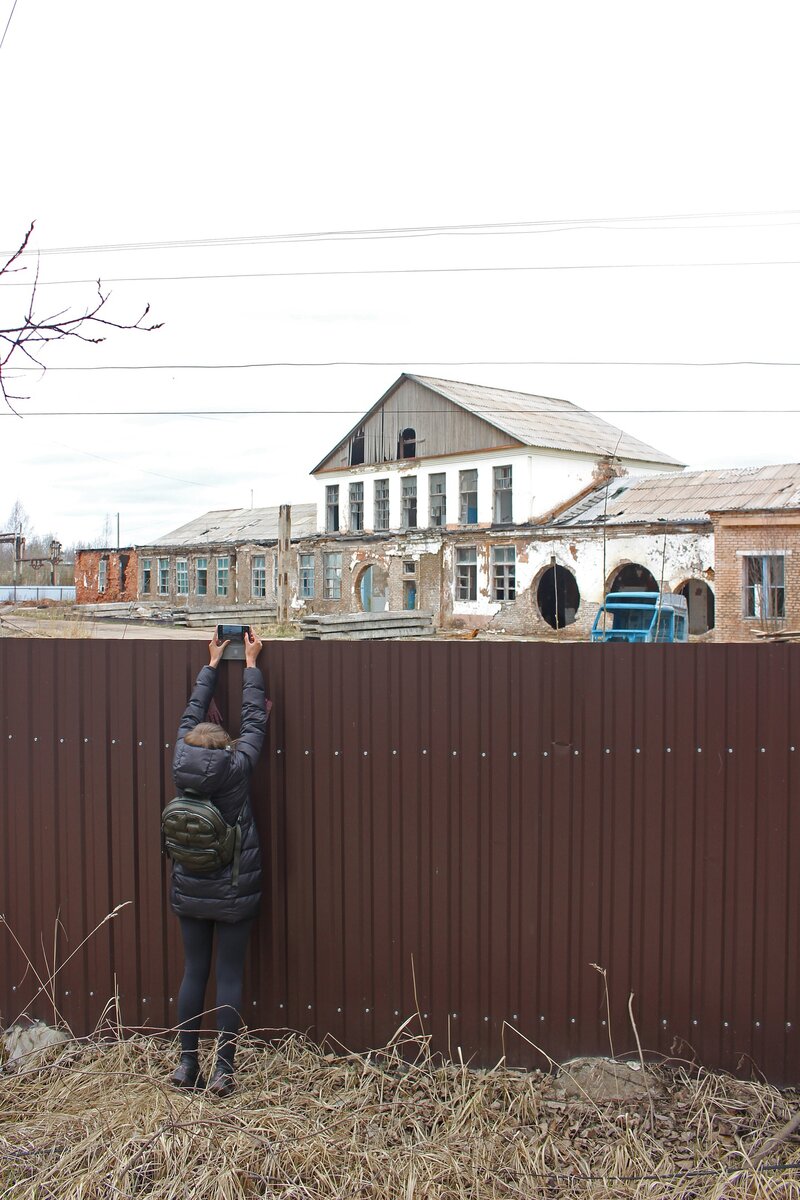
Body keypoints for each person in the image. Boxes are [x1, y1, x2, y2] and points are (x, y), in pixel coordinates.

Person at [167, 628, 267, 1097]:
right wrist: (250, 665)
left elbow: (191, 712)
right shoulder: (236, 768)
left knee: (194, 972)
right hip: (232, 888)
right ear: (224, 746)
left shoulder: (178, 760)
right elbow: (254, 723)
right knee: (228, 975)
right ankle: (223, 1070)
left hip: (189, 886)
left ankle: (187, 1066)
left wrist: (210, 665)